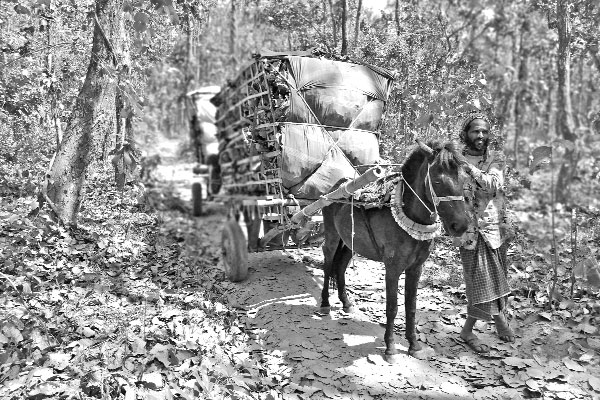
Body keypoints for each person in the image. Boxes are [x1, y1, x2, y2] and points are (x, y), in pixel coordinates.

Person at [456, 111, 515, 353]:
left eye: (484, 131)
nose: (480, 135)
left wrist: (465, 167)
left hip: (494, 228)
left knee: (496, 278)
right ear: (466, 134)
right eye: (475, 131)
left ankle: (493, 322)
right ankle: (471, 330)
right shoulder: (455, 158)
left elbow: (492, 185)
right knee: (479, 282)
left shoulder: (496, 158)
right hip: (468, 230)